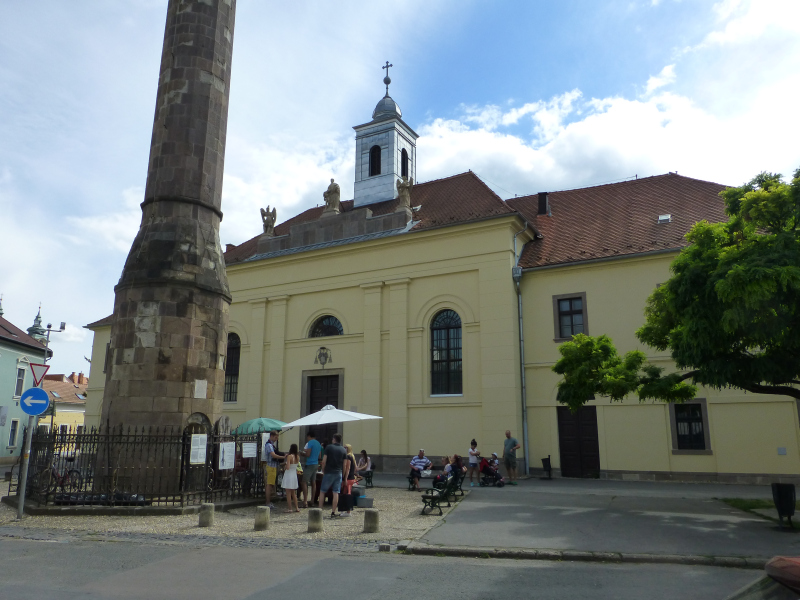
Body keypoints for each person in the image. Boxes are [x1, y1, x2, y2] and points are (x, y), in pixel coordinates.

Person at [318, 432, 347, 518]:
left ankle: (319, 510)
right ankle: (333, 512)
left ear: (334, 439)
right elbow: (344, 465)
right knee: (336, 492)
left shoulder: (329, 447)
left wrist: (323, 470)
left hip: (329, 472)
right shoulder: (343, 450)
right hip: (338, 472)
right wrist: (344, 475)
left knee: (323, 491)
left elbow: (324, 461)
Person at [300, 431, 322, 508]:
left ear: (309, 436)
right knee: (313, 482)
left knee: (304, 482)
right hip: (316, 463)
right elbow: (319, 456)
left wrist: (302, 453)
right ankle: (312, 500)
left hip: (309, 463)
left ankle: (305, 501)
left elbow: (308, 454)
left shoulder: (310, 443)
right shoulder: (318, 443)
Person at [263, 430, 284, 508]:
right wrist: (283, 457)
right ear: (271, 436)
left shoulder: (272, 445)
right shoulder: (269, 445)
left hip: (273, 466)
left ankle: (269, 501)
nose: (276, 439)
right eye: (275, 437)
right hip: (271, 467)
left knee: (271, 485)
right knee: (269, 485)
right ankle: (268, 502)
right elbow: (274, 455)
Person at [339, 444, 357, 517]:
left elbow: (347, 468)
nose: (344, 448)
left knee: (346, 494)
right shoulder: (352, 456)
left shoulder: (348, 456)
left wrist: (345, 478)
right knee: (347, 493)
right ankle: (347, 510)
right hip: (351, 478)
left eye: (345, 447)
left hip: (348, 478)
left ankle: (348, 511)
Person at [282, 443, 300, 513]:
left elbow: (288, 467)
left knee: (288, 493)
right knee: (293, 493)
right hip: (294, 474)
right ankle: (297, 507)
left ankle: (290, 508)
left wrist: (285, 464)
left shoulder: (289, 456)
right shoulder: (297, 457)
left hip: (289, 474)